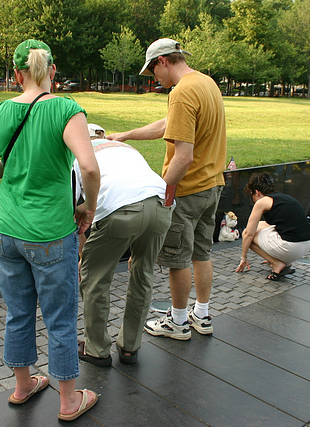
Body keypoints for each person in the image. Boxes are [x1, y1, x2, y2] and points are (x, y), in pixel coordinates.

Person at [0, 39, 100, 421]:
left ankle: (23, 385)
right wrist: (88, 207)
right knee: (60, 318)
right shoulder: (65, 109)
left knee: (18, 312)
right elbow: (91, 168)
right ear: (53, 71)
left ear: (17, 74)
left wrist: (12, 168)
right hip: (49, 233)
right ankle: (67, 402)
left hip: (4, 230)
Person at [107, 38, 227, 340]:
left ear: (163, 61)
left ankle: (177, 321)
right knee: (202, 252)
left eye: (153, 72)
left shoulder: (182, 92)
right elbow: (168, 124)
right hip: (212, 185)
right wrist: (126, 135)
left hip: (187, 190)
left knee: (177, 258)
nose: (154, 79)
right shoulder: (205, 83)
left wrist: (163, 193)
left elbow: (183, 156)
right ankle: (202, 314)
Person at [75, 124, 173, 366]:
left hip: (120, 211)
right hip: (161, 206)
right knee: (143, 275)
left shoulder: (78, 155)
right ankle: (130, 347)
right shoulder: (125, 147)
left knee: (95, 280)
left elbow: (74, 211)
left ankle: (96, 349)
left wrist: (82, 254)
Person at [235, 172, 310, 279]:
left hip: (291, 247)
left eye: (251, 196)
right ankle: (285, 261)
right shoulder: (283, 198)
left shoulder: (262, 202)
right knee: (260, 225)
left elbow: (248, 234)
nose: (252, 200)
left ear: (257, 192)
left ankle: (277, 264)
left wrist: (243, 257)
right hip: (306, 244)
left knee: (247, 234)